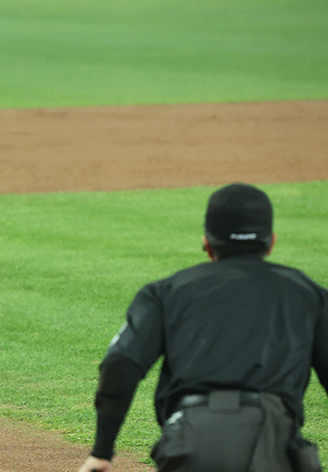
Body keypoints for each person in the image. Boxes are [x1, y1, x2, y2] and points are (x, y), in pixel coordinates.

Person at [78, 183, 327, 472]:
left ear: (207, 244)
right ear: (271, 242)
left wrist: (102, 452)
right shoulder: (309, 295)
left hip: (189, 443)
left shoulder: (165, 292)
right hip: (271, 443)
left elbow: (120, 364)